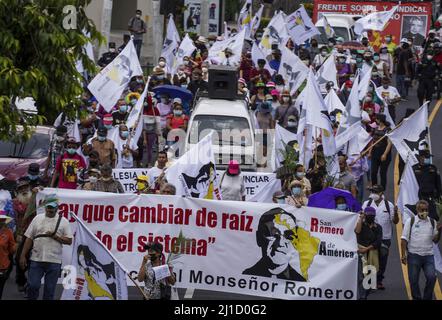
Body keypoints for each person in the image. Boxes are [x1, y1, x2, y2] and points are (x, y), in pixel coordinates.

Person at [20, 194, 72, 300]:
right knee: (33, 285)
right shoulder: (37, 218)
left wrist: (56, 237)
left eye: (52, 207)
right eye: (48, 207)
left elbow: (69, 240)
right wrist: (22, 256)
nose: (50, 209)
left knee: (49, 290)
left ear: (57, 207)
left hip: (54, 260)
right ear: (45, 206)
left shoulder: (64, 221)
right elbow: (29, 238)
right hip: (36, 258)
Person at [242, 208, 307, 281]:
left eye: (289, 236)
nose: (281, 243)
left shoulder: (301, 283)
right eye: (272, 234)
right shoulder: (244, 278)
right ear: (259, 238)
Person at [401, 200, 442, 300]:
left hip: (428, 255)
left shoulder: (432, 222)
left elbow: (435, 240)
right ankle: (417, 298)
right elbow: (403, 240)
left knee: (432, 277)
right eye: (422, 210)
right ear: (417, 209)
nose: (424, 211)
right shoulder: (410, 222)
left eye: (426, 210)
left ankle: (427, 298)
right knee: (413, 280)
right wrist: (403, 255)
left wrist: (439, 231)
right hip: (414, 255)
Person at [362, 185, 399, 290]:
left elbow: (395, 221)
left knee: (382, 260)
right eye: (372, 191)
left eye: (376, 192)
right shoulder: (367, 204)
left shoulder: (389, 205)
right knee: (369, 260)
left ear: (381, 193)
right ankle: (369, 281)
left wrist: (396, 213)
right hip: (370, 238)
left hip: (384, 238)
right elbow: (361, 217)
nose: (373, 193)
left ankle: (379, 280)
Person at [354, 206, 383, 300]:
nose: (370, 216)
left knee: (370, 275)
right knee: (361, 276)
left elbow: (378, 242)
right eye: (368, 215)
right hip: (361, 254)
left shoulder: (378, 227)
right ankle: (362, 296)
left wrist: (366, 249)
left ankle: (365, 293)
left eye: (372, 215)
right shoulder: (361, 225)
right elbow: (357, 231)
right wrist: (360, 218)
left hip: (372, 253)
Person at [413, 150, 441, 221]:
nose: (429, 159)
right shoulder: (414, 169)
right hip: (419, 199)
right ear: (421, 158)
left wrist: (439, 196)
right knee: (420, 218)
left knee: (434, 218)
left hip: (431, 198)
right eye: (427, 157)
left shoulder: (433, 168)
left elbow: (438, 184)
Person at [369, 114, 392, 191]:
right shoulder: (375, 129)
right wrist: (369, 152)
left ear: (380, 120)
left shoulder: (388, 130)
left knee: (382, 173)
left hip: (384, 152)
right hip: (375, 152)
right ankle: (374, 187)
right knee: (373, 172)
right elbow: (373, 141)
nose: (376, 121)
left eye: (377, 119)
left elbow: (389, 143)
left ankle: (382, 190)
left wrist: (385, 154)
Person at [0, 210, 16, 299]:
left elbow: (12, 250)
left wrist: (16, 246)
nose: (1, 221)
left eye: (2, 219)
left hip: (2, 265)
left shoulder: (8, 232)